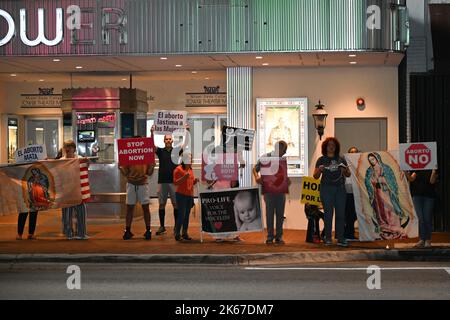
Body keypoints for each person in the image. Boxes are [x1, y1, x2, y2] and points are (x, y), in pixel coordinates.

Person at [150, 125, 190, 236]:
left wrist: (186, 131)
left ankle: (176, 228)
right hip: (162, 181)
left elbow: (185, 143)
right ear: (164, 141)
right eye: (166, 139)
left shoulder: (176, 151)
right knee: (161, 204)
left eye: (169, 139)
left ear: (172, 140)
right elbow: (151, 146)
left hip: (174, 182)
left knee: (175, 205)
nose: (168, 140)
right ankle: (162, 227)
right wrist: (152, 133)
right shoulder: (160, 151)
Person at [313, 137, 351, 247]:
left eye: (333, 145)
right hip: (326, 189)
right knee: (328, 214)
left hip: (340, 188)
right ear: (325, 146)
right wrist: (319, 170)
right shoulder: (321, 160)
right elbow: (315, 177)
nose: (331, 146)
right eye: (329, 145)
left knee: (341, 214)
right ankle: (328, 237)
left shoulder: (341, 159)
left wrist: (345, 170)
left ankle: (340, 238)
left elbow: (348, 174)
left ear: (336, 147)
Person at [253, 141, 291, 245]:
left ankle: (279, 237)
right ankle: (270, 237)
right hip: (269, 190)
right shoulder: (265, 157)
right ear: (276, 148)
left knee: (280, 214)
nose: (282, 152)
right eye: (281, 150)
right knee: (269, 213)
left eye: (284, 151)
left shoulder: (283, 160)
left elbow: (284, 176)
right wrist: (257, 177)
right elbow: (255, 169)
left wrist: (287, 180)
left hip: (280, 190)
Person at [365, 152, 409, 240]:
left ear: (377, 158)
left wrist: (382, 179)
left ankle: (394, 227)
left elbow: (391, 181)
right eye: (370, 160)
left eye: (373, 159)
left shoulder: (386, 168)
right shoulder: (370, 170)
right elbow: (367, 181)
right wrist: (371, 182)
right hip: (376, 193)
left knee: (389, 209)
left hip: (387, 193)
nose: (372, 161)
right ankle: (384, 227)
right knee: (380, 210)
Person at [119, 142, 155, 241]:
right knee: (130, 208)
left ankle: (148, 230)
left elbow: (149, 172)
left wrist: (152, 165)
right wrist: (120, 167)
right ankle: (128, 230)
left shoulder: (145, 157)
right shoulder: (129, 156)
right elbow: (125, 173)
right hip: (131, 184)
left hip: (142, 184)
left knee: (145, 208)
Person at [61, 140, 88, 240]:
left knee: (80, 213)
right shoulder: (61, 160)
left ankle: (81, 233)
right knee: (67, 215)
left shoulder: (79, 159)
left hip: (78, 190)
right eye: (66, 146)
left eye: (70, 146)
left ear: (74, 148)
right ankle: (68, 233)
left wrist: (87, 163)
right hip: (66, 191)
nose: (68, 148)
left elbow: (86, 168)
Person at [406, 167, 438, 248]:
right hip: (417, 196)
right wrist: (406, 172)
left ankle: (428, 240)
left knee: (427, 218)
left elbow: (432, 181)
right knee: (421, 218)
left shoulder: (432, 167)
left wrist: (434, 171)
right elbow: (411, 179)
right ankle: (421, 239)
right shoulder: (416, 167)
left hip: (429, 196)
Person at [173, 152, 199, 241]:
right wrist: (184, 177)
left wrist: (195, 181)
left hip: (189, 195)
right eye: (188, 158)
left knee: (187, 215)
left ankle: (184, 233)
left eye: (191, 158)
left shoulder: (190, 170)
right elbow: (175, 182)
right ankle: (177, 233)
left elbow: (190, 183)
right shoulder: (178, 169)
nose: (190, 160)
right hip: (181, 195)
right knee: (181, 215)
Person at [344, 147, 360, 241]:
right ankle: (348, 234)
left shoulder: (360, 163)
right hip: (347, 192)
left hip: (357, 193)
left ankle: (349, 233)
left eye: (355, 152)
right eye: (351, 153)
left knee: (355, 214)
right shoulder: (345, 164)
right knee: (348, 214)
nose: (353, 154)